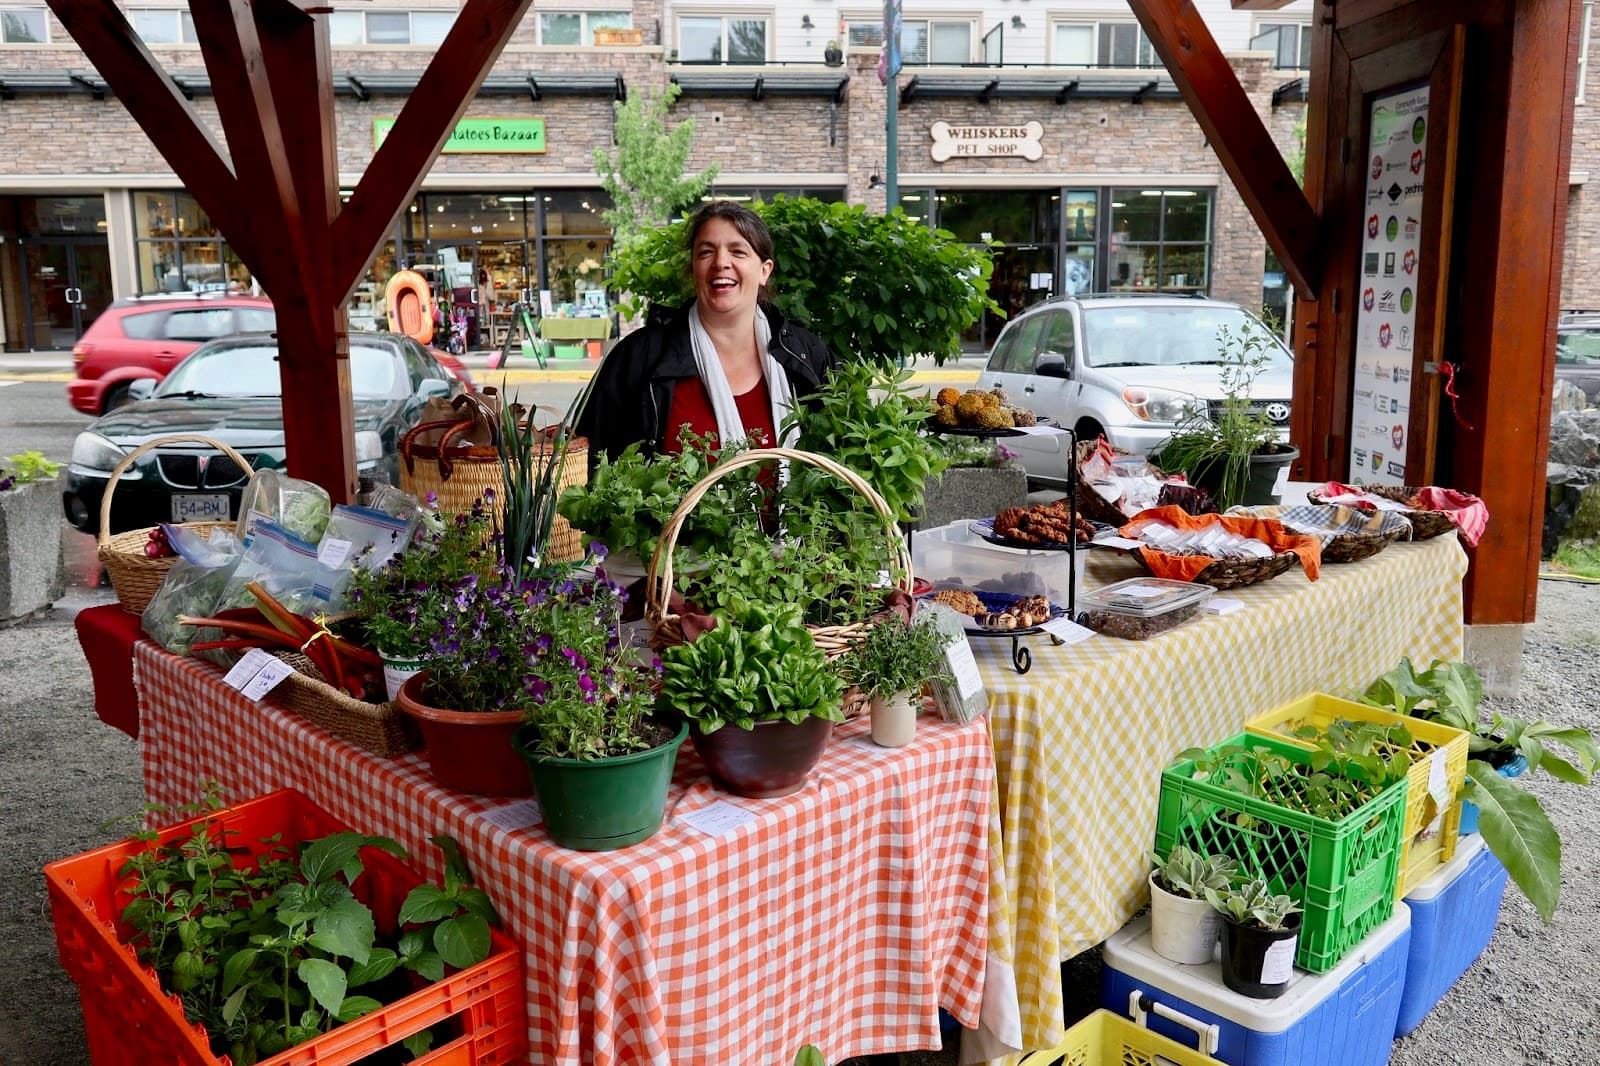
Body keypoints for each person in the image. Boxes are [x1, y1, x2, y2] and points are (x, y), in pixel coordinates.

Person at [575, 201, 836, 462]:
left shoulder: (806, 356)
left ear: (764, 271)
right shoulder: (639, 357)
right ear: (693, 269)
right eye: (706, 252)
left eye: (738, 252)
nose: (721, 262)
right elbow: (583, 461)